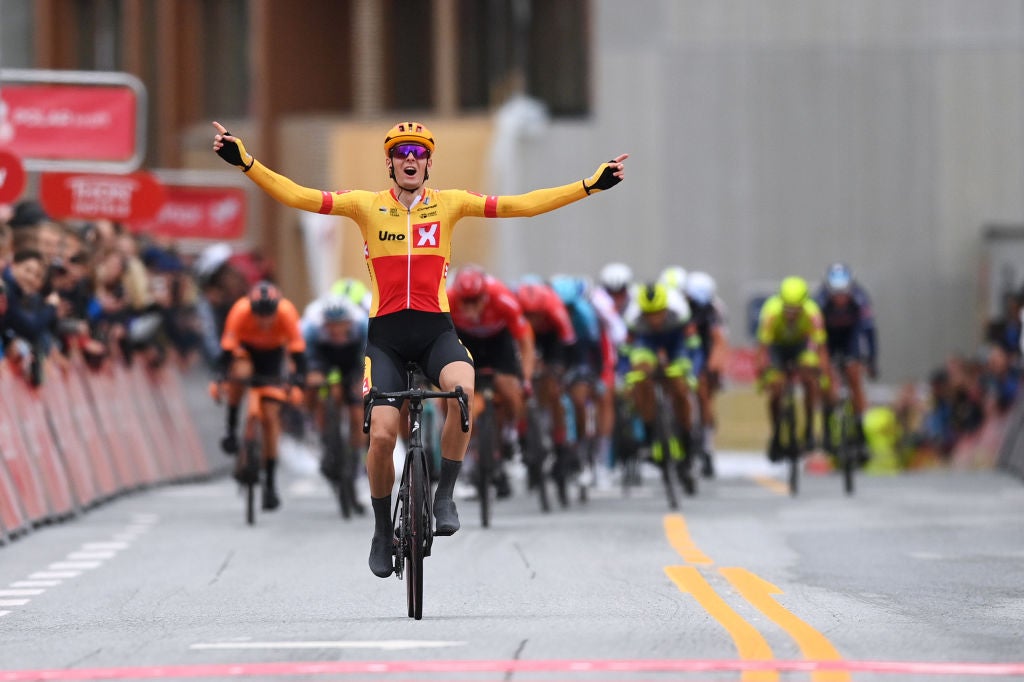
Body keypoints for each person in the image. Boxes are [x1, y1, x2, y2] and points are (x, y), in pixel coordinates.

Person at [212, 119, 627, 577]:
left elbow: (522, 206)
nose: (410, 159)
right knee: (383, 436)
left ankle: (444, 493)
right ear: (389, 162)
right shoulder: (365, 207)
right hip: (386, 339)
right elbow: (299, 195)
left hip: (436, 333)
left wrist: (590, 185)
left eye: (419, 153)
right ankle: (378, 530)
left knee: (464, 393)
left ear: (429, 162)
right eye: (401, 152)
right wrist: (246, 163)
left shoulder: (450, 205)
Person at [210, 281, 307, 512]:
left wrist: (297, 383)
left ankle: (271, 484)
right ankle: (231, 429)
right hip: (245, 352)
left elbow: (298, 353)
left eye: (269, 314)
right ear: (251, 308)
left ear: (277, 308)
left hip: (272, 359)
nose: (264, 320)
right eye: (259, 314)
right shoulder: (240, 311)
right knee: (239, 375)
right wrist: (219, 381)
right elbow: (226, 352)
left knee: (271, 418)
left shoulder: (286, 313)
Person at [447, 265, 535, 499]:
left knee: (509, 388)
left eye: (475, 300)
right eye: (465, 301)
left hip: (499, 343)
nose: (469, 307)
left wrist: (525, 378)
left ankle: (511, 437)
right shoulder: (448, 300)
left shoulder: (502, 298)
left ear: (485, 296)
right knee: (463, 401)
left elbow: (525, 341)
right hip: (466, 342)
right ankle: (474, 454)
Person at [624, 282, 700, 494]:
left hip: (676, 344)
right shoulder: (633, 318)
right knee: (640, 375)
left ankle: (687, 440)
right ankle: (649, 433)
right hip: (646, 343)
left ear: (666, 308)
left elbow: (694, 347)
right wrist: (627, 378)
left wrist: (691, 373)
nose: (654, 319)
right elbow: (625, 351)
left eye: (658, 313)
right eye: (649, 314)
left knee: (679, 386)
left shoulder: (681, 313)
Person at [301, 292, 369, 511]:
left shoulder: (362, 326)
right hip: (323, 357)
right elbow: (305, 358)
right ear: (324, 323)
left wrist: (362, 380)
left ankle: (354, 457)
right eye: (332, 325)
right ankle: (318, 427)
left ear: (350, 321)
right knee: (317, 386)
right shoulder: (311, 328)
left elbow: (368, 358)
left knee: (358, 411)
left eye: (342, 325)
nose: (337, 330)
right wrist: (312, 374)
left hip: (352, 361)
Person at [755, 276, 829, 460]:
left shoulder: (813, 313)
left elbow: (821, 348)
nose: (790, 314)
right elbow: (763, 349)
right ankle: (776, 433)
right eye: (787, 308)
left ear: (803, 305)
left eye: (795, 309)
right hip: (778, 347)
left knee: (809, 376)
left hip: (800, 346)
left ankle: (809, 429)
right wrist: (763, 375)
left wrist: (823, 375)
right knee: (776, 389)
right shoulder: (771, 311)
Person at [813, 262, 876, 449]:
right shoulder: (819, 301)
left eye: (844, 294)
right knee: (826, 378)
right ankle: (827, 427)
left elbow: (870, 333)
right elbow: (814, 336)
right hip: (827, 338)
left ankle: (859, 428)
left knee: (854, 376)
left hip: (850, 337)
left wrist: (871, 361)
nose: (840, 299)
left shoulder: (861, 299)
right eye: (836, 294)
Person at [684, 271, 729, 477]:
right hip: (683, 347)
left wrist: (714, 367)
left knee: (704, 395)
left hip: (705, 347)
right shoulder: (679, 306)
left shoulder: (715, 309)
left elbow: (719, 340)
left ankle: (707, 446)